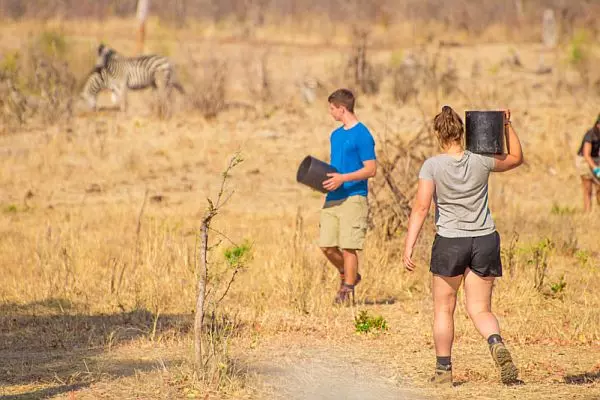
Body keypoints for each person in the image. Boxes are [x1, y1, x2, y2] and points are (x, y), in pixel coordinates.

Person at [403, 106, 523, 386]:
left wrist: (408, 245)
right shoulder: (481, 160)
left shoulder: (432, 166)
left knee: (444, 309)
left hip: (450, 242)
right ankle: (495, 342)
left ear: (438, 135)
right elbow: (516, 158)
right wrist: (506, 124)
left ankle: (444, 372)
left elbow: (421, 207)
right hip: (484, 239)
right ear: (462, 131)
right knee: (480, 309)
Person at [319, 89, 376, 304]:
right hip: (333, 196)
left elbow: (371, 169)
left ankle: (348, 290)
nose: (331, 113)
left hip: (354, 196)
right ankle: (349, 274)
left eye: (332, 109)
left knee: (349, 245)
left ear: (342, 109)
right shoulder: (335, 135)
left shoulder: (363, 135)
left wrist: (344, 178)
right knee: (326, 244)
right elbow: (336, 167)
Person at [575, 114, 600, 212]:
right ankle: (587, 213)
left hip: (596, 160)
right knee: (587, 188)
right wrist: (596, 169)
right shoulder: (590, 135)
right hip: (584, 162)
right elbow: (586, 154)